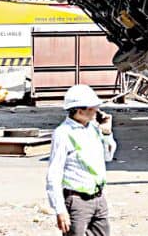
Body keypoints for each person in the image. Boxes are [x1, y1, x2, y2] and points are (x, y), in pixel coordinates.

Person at [47, 85, 116, 236]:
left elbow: (108, 157)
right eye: (93, 108)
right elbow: (54, 174)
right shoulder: (63, 134)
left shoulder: (93, 129)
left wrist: (107, 133)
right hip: (77, 201)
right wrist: (60, 210)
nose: (97, 111)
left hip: (98, 198)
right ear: (79, 111)